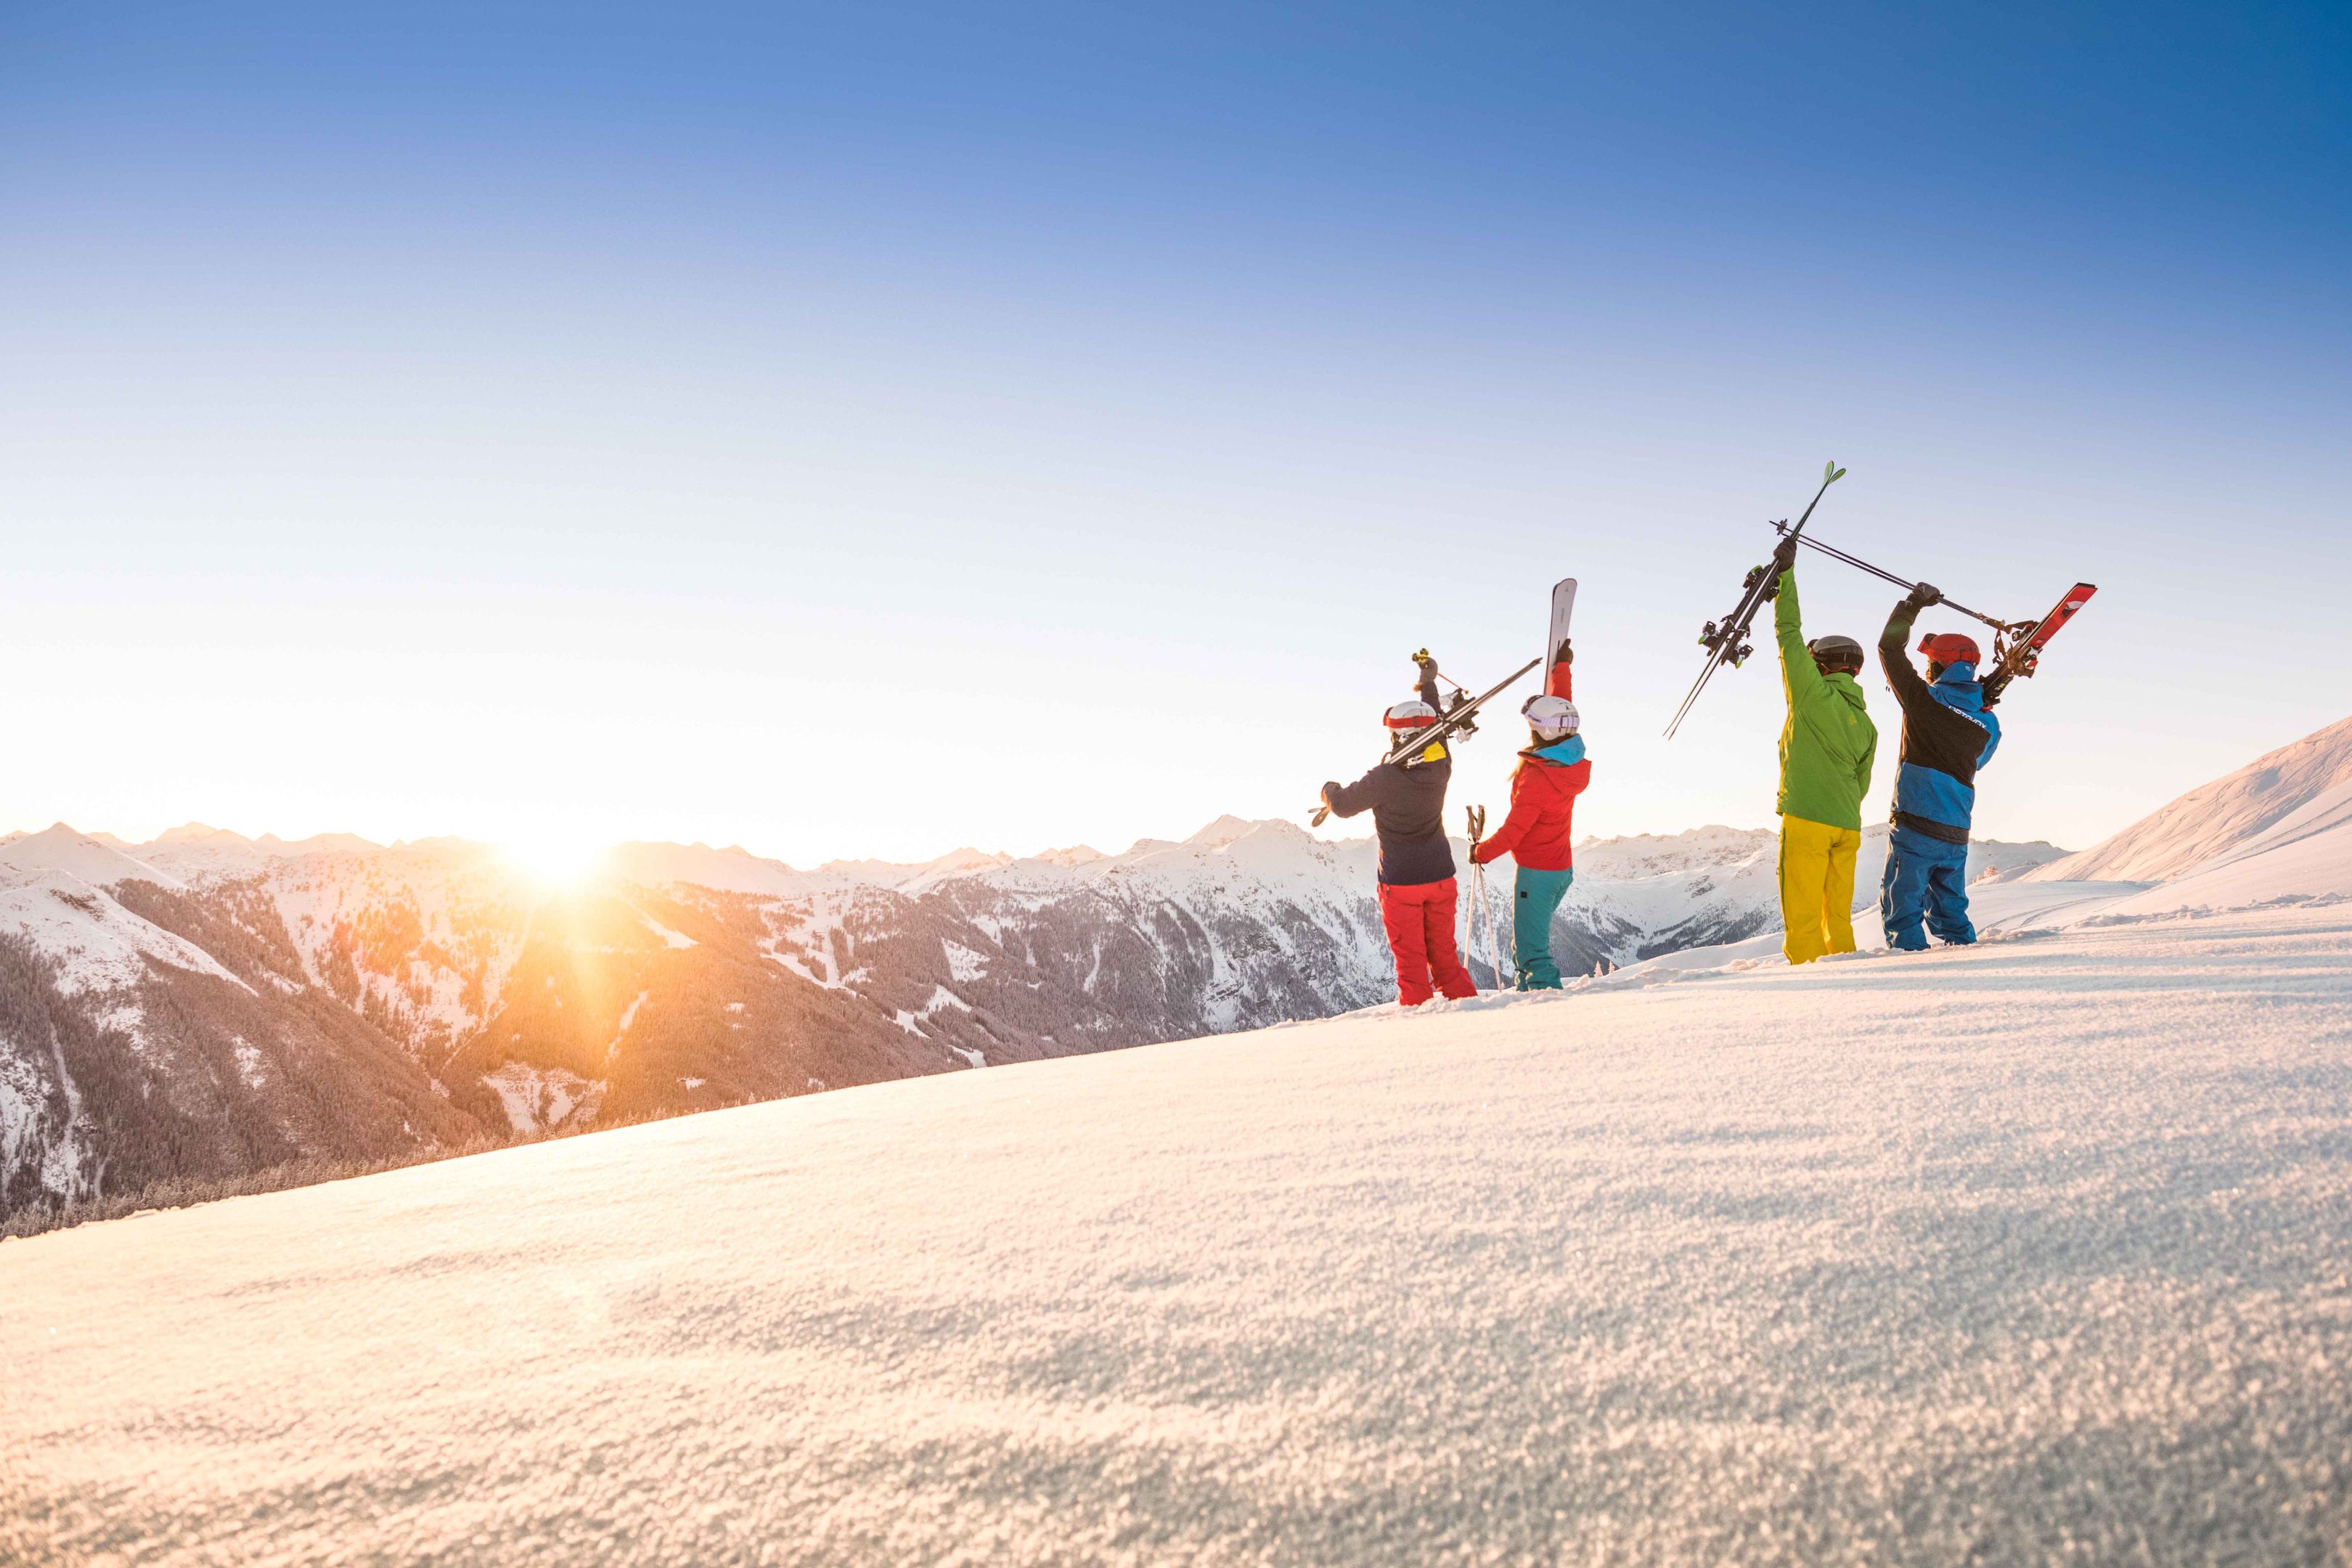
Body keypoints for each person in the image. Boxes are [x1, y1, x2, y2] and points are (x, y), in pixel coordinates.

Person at [1320, 654, 1478, 1005]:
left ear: (1400, 734)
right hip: (1441, 877)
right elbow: (1436, 724)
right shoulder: (1440, 765)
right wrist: (1428, 683)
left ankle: (1419, 1035)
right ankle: (1472, 1019)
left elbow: (1343, 805)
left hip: (1401, 884)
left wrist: (1328, 789)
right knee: (1446, 961)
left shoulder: (1385, 779)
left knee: (1412, 968)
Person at [1764, 538, 1877, 964]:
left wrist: (1785, 577)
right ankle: (1845, 970)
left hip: (1808, 820)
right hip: (1846, 826)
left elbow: (1787, 633)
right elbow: (1861, 782)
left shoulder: (1811, 695)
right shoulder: (1867, 724)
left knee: (1804, 916)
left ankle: (1809, 987)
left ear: (1820, 665)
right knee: (1839, 918)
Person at [1877, 581, 2002, 949]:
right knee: (1951, 910)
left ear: (1937, 664)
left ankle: (1910, 973)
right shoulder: (1989, 722)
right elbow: (1979, 761)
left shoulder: (1923, 701)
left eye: (1929, 661)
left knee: (1903, 909)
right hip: (1956, 830)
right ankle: (1965, 958)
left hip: (1916, 823)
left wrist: (1912, 605)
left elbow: (1888, 648)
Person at [1468, 638, 1590, 989]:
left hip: (1537, 875)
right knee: (1524, 946)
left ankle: (1546, 1013)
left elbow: (1514, 831)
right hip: (1560, 869)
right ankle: (1527, 1003)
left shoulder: (1537, 779)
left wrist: (1481, 852)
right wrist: (1562, 668)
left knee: (1532, 954)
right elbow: (1562, 711)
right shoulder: (1569, 760)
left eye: (1533, 727)